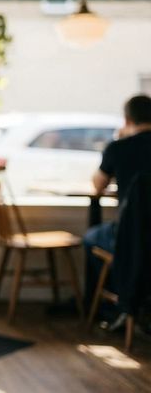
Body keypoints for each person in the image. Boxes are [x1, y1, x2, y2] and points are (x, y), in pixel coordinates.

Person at [84, 93, 151, 322]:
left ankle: (116, 303)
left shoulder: (119, 148)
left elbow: (97, 186)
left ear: (127, 120)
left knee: (91, 238)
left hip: (129, 233)